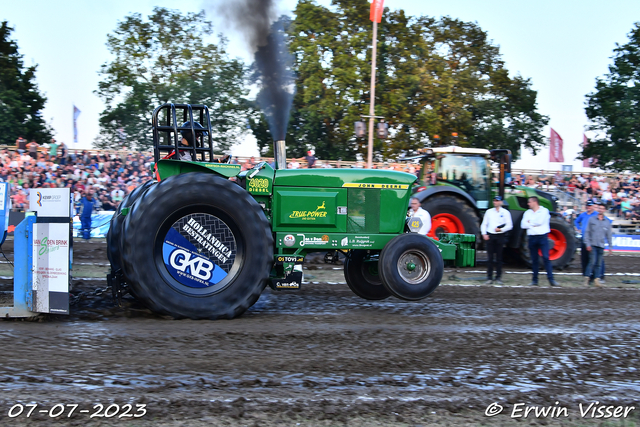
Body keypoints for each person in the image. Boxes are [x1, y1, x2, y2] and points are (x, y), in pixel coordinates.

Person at [521, 196, 559, 286]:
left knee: (546, 258)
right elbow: (523, 225)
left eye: (529, 202)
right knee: (534, 260)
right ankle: (535, 280)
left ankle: (551, 279)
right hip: (532, 238)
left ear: (535, 202)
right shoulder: (527, 212)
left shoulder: (544, 211)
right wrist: (533, 223)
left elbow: (540, 222)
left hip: (542, 237)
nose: (528, 204)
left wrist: (530, 222)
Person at [481, 195, 513, 284]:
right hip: (491, 235)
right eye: (494, 200)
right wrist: (484, 234)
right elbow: (484, 224)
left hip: (500, 236)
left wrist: (501, 229)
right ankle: (489, 277)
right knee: (490, 258)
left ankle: (498, 277)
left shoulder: (506, 213)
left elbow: (510, 225)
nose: (495, 202)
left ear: (501, 202)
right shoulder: (489, 212)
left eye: (497, 200)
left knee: (499, 258)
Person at [583, 203, 613, 287]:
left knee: (598, 264)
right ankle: (586, 279)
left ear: (605, 210)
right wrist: (587, 244)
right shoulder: (592, 219)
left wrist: (610, 247)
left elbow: (609, 235)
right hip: (593, 244)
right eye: (599, 208)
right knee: (592, 262)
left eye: (602, 208)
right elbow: (587, 232)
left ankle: (597, 280)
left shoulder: (607, 222)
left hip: (601, 245)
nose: (600, 210)